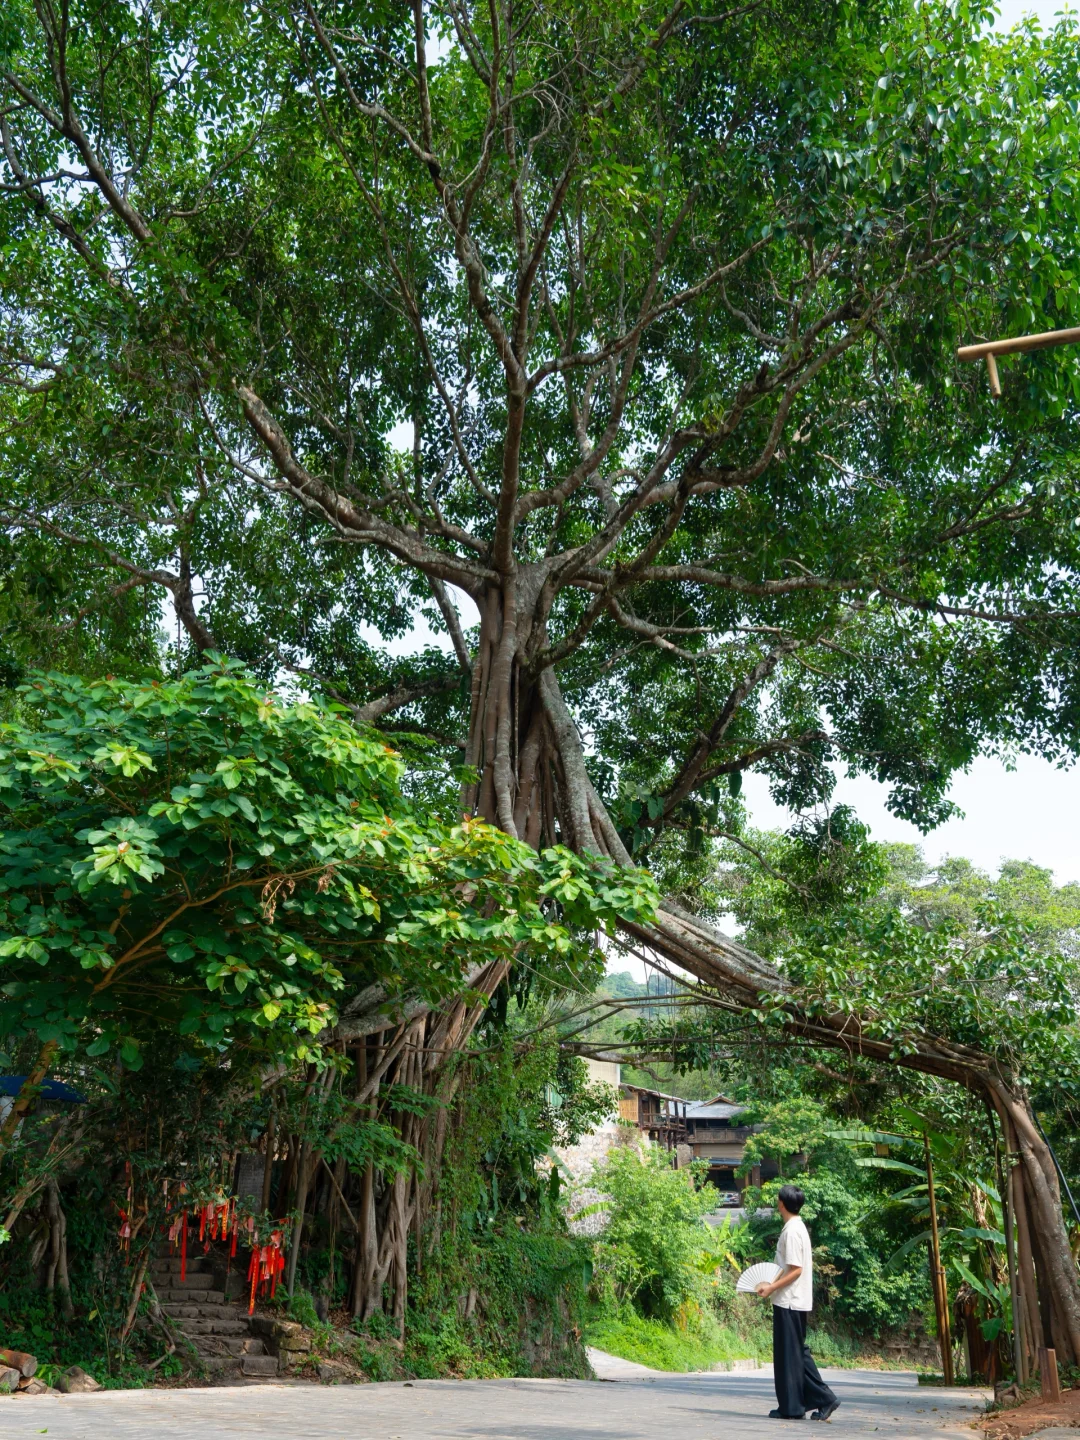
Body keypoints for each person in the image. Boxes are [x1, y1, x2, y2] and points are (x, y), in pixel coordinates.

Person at [755, 1184, 840, 1422]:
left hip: (789, 1301)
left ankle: (823, 1398)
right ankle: (793, 1407)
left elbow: (795, 1270)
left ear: (782, 1203)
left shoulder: (792, 1231)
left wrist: (771, 1287)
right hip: (793, 1300)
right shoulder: (797, 1227)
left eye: (777, 1199)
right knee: (793, 1354)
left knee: (792, 1355)